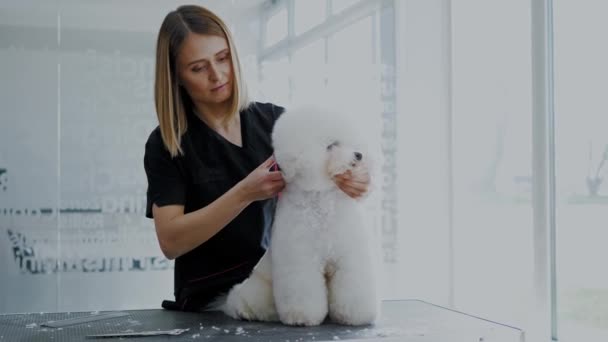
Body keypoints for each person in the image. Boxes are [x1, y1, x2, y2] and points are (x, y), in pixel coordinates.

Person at [144, 4, 371, 312]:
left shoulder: (278, 124)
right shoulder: (167, 144)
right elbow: (171, 241)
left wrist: (354, 181)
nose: (217, 74)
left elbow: (330, 184)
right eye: (198, 68)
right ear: (177, 77)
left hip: (280, 287)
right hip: (208, 301)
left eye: (222, 58)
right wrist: (244, 193)